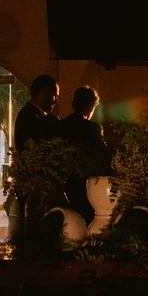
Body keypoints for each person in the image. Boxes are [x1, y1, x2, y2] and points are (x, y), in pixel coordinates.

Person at [55, 86, 110, 224]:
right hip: (87, 183)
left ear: (73, 104)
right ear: (91, 107)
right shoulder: (93, 129)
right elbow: (104, 156)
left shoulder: (60, 126)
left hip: (65, 183)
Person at [14, 74, 60, 150]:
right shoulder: (28, 117)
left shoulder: (27, 113)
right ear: (44, 92)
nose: (56, 101)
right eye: (55, 96)